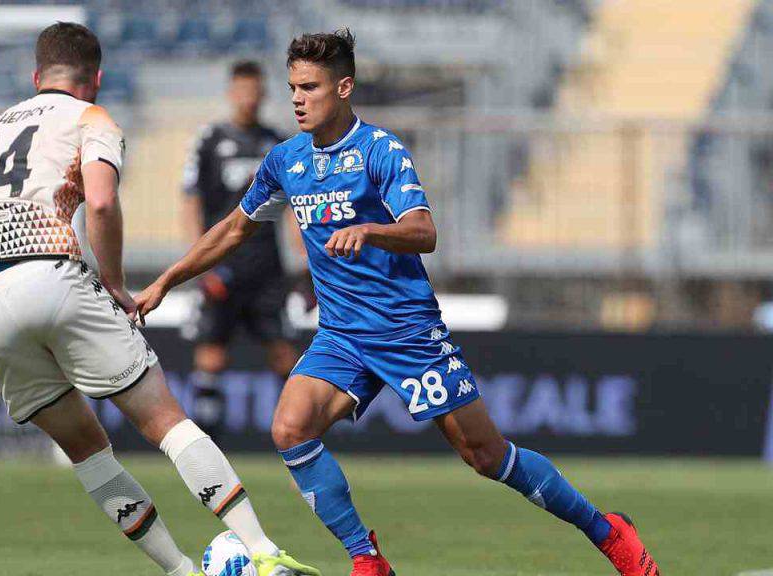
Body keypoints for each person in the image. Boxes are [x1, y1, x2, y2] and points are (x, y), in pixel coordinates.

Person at [134, 29, 660, 576]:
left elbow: (424, 231)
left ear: (343, 87)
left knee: (485, 456)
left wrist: (371, 230)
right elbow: (233, 230)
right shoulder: (285, 160)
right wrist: (169, 279)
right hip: (341, 335)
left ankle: (608, 532)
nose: (296, 98)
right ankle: (368, 559)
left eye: (309, 87)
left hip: (405, 329)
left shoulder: (381, 151)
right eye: (292, 86)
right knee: (291, 427)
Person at [0, 22, 320, 576]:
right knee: (166, 422)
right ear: (97, 79)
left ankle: (181, 572)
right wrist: (113, 283)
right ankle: (261, 551)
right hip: (48, 273)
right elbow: (103, 205)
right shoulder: (91, 118)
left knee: (88, 452)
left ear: (37, 77)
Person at [181, 60, 299, 439]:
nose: (249, 98)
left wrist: (308, 259)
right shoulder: (210, 140)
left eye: (255, 91)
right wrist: (199, 262)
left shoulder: (278, 142)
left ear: (263, 94)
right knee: (212, 352)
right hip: (222, 263)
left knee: (283, 352)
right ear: (232, 93)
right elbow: (191, 202)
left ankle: (300, 431)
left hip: (267, 267)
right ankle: (206, 441)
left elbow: (297, 207)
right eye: (242, 91)